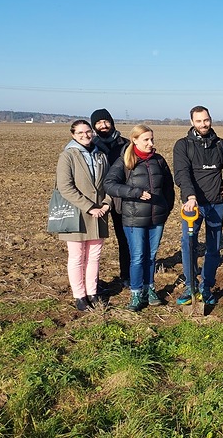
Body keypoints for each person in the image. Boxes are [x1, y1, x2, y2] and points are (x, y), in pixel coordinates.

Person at [104, 125, 175, 311]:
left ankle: (149, 289)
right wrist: (134, 192)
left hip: (156, 218)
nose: (151, 143)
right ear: (134, 140)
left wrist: (166, 208)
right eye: (146, 140)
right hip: (134, 219)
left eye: (152, 139)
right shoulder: (125, 161)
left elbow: (169, 187)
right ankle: (136, 294)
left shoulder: (159, 161)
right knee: (137, 257)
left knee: (151, 257)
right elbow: (109, 185)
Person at [173, 106, 223, 306]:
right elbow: (182, 174)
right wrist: (190, 196)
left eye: (206, 120)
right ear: (192, 123)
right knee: (189, 245)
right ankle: (191, 285)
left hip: (216, 204)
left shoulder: (221, 145)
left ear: (210, 119)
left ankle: (206, 287)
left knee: (213, 247)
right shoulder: (183, 146)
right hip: (192, 206)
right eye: (198, 121)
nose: (203, 124)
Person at [56, 120, 112, 311]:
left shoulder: (101, 155)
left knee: (94, 256)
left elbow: (110, 182)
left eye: (88, 132)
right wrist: (89, 207)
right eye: (80, 133)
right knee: (77, 256)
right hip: (77, 214)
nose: (85, 135)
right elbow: (65, 187)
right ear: (73, 134)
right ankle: (79, 296)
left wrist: (107, 203)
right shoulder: (67, 156)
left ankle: (92, 293)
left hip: (100, 213)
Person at [90, 108, 130, 288]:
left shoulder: (126, 144)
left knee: (125, 239)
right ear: (94, 126)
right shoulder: (91, 146)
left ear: (112, 123)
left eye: (106, 121)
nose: (103, 125)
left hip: (122, 198)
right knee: (93, 242)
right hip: (98, 200)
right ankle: (93, 281)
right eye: (98, 123)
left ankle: (127, 275)